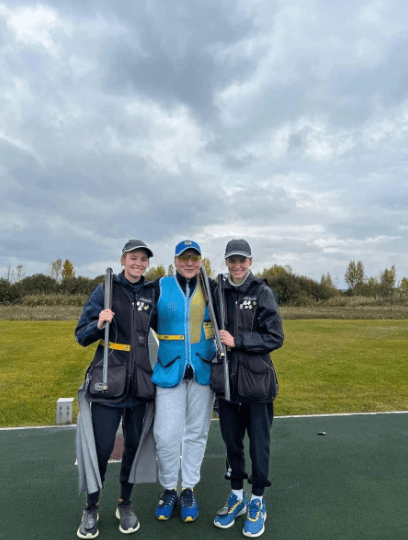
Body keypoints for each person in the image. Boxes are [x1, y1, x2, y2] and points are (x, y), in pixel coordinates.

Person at [75, 239, 157, 538]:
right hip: (109, 380)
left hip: (140, 383)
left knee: (133, 446)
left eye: (143, 259)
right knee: (101, 448)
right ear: (123, 260)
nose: (138, 263)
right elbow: (81, 335)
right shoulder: (105, 290)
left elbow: (166, 327)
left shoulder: (151, 292)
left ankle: (125, 502)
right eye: (133, 258)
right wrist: (98, 324)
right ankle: (91, 506)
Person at [212, 239, 284, 538]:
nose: (237, 265)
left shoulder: (261, 292)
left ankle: (257, 501)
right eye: (232, 260)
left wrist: (238, 341)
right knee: (232, 444)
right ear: (226, 262)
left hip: (257, 383)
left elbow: (275, 336)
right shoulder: (218, 291)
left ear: (250, 262)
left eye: (242, 260)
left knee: (258, 445)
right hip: (227, 383)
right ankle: (237, 497)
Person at [150, 240, 216, 523]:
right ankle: (169, 489)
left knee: (197, 433)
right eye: (184, 257)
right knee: (165, 435)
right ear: (175, 261)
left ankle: (188, 488)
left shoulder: (212, 287)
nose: (189, 262)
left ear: (201, 261)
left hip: (203, 371)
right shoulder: (159, 286)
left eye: (194, 257)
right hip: (169, 370)